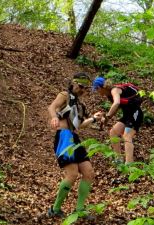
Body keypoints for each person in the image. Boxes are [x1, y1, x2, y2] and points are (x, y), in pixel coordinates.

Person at [47, 72, 103, 217]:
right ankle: (55, 209)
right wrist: (54, 118)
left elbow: (80, 124)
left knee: (88, 172)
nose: (82, 90)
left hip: (75, 137)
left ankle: (79, 209)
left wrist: (94, 119)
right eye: (81, 86)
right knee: (72, 174)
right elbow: (52, 107)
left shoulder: (80, 105)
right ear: (74, 83)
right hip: (64, 137)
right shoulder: (64, 95)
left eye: (85, 88)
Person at [92, 77, 143, 164]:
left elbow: (116, 103)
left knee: (127, 136)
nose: (97, 92)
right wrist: (106, 118)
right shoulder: (109, 94)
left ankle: (129, 164)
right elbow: (116, 108)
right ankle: (118, 159)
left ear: (100, 88)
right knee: (113, 132)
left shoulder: (114, 90)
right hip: (127, 115)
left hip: (135, 114)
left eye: (96, 89)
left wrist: (107, 116)